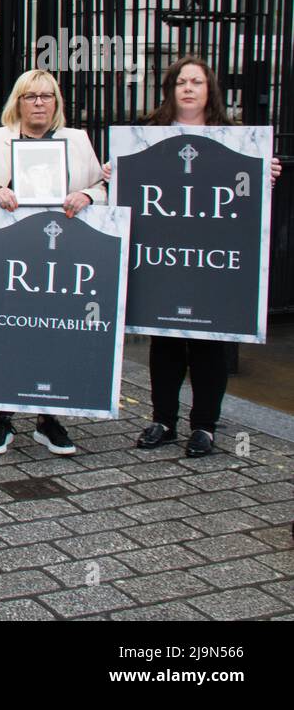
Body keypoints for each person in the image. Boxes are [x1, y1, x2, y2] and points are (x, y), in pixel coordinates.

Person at [103, 57, 282, 458]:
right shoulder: (147, 136)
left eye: (196, 82)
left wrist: (264, 171)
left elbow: (248, 191)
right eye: (181, 81)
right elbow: (127, 183)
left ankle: (204, 427)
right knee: (164, 341)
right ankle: (163, 420)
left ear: (209, 89)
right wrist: (113, 174)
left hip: (210, 258)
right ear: (170, 89)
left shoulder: (236, 138)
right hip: (164, 256)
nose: (188, 88)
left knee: (208, 344)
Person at [0, 67, 106, 456]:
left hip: (61, 259)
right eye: (31, 96)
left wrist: (89, 197)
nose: (39, 103)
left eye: (46, 96)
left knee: (54, 333)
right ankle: (2, 417)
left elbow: (102, 186)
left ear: (56, 103)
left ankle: (48, 418)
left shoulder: (76, 141)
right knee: (5, 330)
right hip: (9, 257)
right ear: (18, 102)